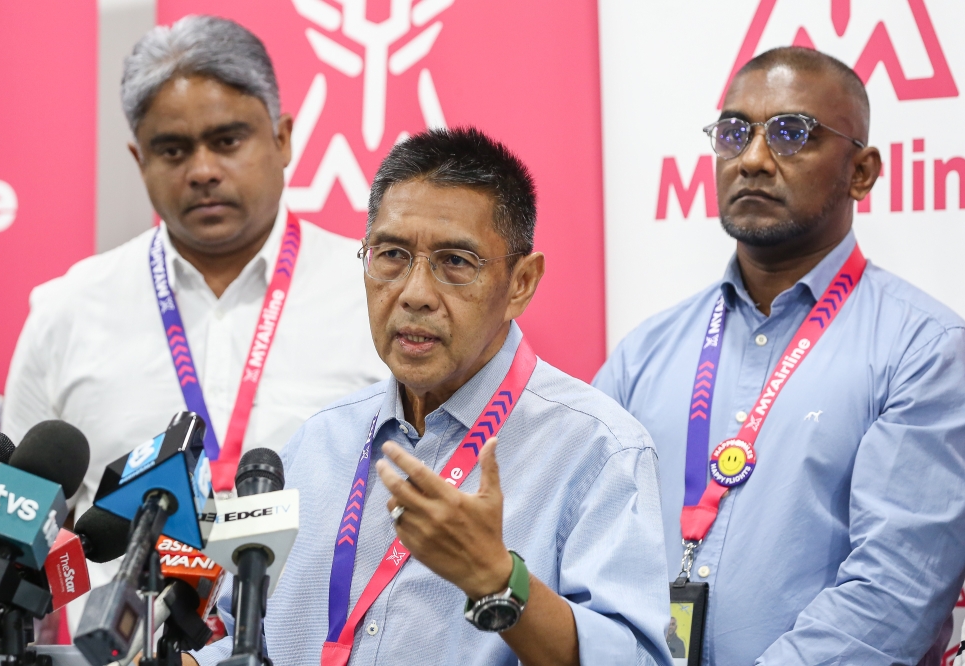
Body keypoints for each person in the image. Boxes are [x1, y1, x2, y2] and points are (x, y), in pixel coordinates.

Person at [187, 127, 672, 666]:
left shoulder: (598, 449)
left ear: (521, 283)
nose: (415, 294)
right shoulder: (314, 444)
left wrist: (495, 579)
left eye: (456, 262)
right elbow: (234, 637)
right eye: (392, 254)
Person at [1, 15, 387, 630]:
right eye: (173, 150)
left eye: (228, 140)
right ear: (139, 158)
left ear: (283, 138)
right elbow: (19, 530)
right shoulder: (66, 312)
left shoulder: (375, 293)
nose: (202, 170)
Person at [594, 47, 965, 665]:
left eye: (793, 134)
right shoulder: (645, 353)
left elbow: (892, 596)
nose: (754, 160)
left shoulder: (925, 350)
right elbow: (580, 541)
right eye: (734, 133)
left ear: (863, 172)